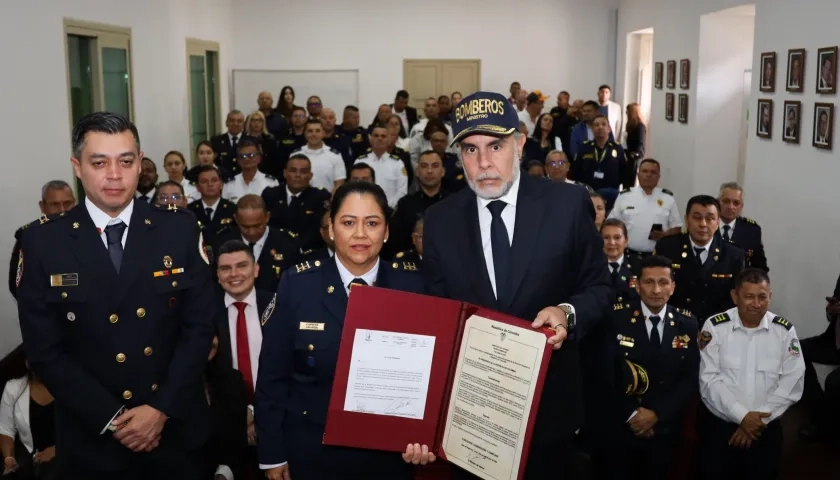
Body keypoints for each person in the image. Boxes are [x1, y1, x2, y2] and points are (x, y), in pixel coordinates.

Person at [421, 91, 612, 479]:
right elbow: (437, 313)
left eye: (496, 145)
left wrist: (567, 313)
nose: (484, 163)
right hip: (471, 414)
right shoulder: (440, 220)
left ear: (520, 144)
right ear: (457, 156)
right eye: (471, 149)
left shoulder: (567, 204)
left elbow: (600, 288)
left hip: (548, 409)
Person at [15, 112, 215, 478]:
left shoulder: (179, 229)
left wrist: (159, 410)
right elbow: (44, 349)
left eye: (125, 161)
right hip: (91, 439)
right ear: (77, 167)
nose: (114, 174)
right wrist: (112, 418)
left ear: (140, 164)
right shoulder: (43, 242)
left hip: (173, 432)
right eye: (99, 162)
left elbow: (200, 328)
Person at [255, 181, 424, 480]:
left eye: (372, 223)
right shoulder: (298, 285)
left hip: (389, 457)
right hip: (312, 453)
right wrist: (272, 455)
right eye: (348, 222)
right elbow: (272, 376)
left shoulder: (412, 287)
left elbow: (427, 378)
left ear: (386, 232)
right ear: (331, 229)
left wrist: (422, 435)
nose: (360, 234)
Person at [697, 268, 805, 480]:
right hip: (721, 430)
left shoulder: (784, 331)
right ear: (735, 296)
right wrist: (742, 416)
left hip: (766, 430)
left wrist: (755, 422)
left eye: (762, 297)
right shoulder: (715, 327)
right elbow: (709, 381)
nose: (756, 304)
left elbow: (792, 380)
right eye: (748, 297)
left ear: (770, 297)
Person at [607, 255, 699, 480]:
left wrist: (657, 414)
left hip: (665, 427)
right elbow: (605, 373)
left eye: (663, 282)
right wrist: (632, 414)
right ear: (637, 285)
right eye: (649, 282)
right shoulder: (615, 319)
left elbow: (690, 377)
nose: (656, 289)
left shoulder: (687, 323)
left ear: (673, 287)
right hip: (623, 425)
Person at [653, 195, 745, 321]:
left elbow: (736, 299)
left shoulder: (733, 255)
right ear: (686, 220)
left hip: (716, 328)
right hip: (675, 323)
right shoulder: (667, 248)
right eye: (697, 218)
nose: (703, 224)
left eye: (710, 219)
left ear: (718, 222)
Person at [8, 180, 76, 299]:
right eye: (55, 204)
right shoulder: (29, 236)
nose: (62, 210)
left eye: (67, 203)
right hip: (48, 311)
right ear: (42, 206)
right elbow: (18, 285)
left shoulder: (90, 231)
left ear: (74, 203)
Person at [0, 351, 58, 480]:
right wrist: (9, 458)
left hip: (66, 451)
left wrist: (57, 450)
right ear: (28, 363)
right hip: (31, 452)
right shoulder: (13, 388)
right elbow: (5, 429)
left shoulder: (69, 387)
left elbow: (84, 427)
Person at [609, 159, 682, 257]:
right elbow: (612, 224)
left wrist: (665, 234)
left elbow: (677, 227)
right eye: (645, 171)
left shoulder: (668, 198)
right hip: (629, 255)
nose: (648, 175)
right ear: (638, 175)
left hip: (657, 256)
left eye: (653, 172)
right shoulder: (624, 196)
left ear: (658, 177)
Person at [202, 334, 249, 480]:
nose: (209, 343)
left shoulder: (232, 380)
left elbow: (237, 439)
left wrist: (225, 472)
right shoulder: (167, 385)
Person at [717, 182, 768, 272]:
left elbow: (760, 268)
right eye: (726, 201)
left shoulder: (751, 230)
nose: (731, 207)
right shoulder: (707, 226)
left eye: (736, 203)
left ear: (741, 206)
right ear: (718, 202)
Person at [623, 104, 647, 189]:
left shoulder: (640, 127)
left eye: (627, 112)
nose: (626, 114)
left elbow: (640, 144)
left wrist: (633, 155)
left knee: (630, 184)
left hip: (633, 159)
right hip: (628, 157)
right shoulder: (632, 126)